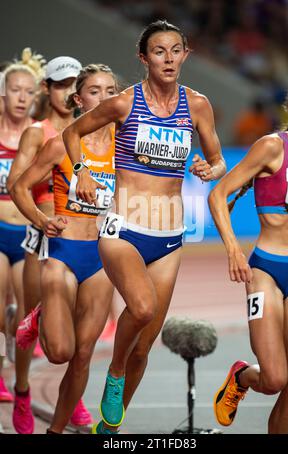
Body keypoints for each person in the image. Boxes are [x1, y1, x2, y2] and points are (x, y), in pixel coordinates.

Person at [62, 19, 226, 434]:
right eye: (159, 51)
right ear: (143, 57)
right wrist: (80, 171)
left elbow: (219, 160)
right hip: (124, 226)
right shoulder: (124, 103)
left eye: (176, 50)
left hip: (169, 236)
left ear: (185, 55)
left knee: (145, 347)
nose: (168, 59)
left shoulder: (198, 105)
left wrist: (211, 168)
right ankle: (114, 373)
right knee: (143, 307)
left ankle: (109, 430)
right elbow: (73, 132)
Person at [11, 63, 118, 434]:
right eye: (94, 91)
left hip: (103, 258)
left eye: (110, 91)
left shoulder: (126, 143)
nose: (104, 98)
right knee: (59, 353)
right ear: (78, 98)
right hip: (64, 252)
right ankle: (38, 316)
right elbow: (19, 187)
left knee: (84, 354)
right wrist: (42, 222)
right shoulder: (60, 144)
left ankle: (56, 430)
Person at [209, 83, 288, 434]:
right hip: (267, 271)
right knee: (275, 378)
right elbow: (218, 196)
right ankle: (242, 376)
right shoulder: (271, 148)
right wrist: (233, 248)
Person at [7, 55, 86, 434]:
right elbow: (15, 185)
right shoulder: (37, 133)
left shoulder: (91, 130)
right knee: (29, 322)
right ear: (48, 89)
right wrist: (41, 221)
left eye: (75, 84)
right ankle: (22, 391)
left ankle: (74, 396)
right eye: (61, 85)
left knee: (79, 323)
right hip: (43, 236)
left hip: (83, 236)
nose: (69, 91)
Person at [0, 49, 44, 403]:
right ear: (3, 93)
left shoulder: (38, 136)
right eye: (15, 90)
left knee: (27, 316)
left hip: (27, 235)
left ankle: (18, 363)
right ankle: (0, 374)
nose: (21, 97)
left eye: (29, 92)